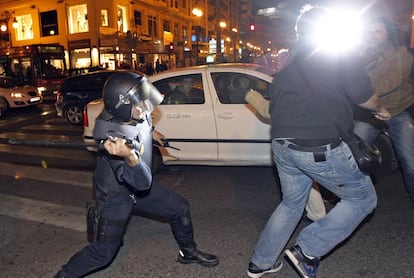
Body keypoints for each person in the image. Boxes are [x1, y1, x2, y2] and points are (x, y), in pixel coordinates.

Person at [246, 6, 391, 278]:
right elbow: (363, 95)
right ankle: (307, 250)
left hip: (282, 144)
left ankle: (261, 263)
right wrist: (381, 110)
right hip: (317, 145)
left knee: (291, 203)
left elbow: (274, 106)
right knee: (362, 199)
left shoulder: (288, 65)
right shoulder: (337, 54)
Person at [54, 72, 218, 278]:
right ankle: (64, 275)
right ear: (121, 106)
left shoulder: (132, 112)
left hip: (137, 189)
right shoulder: (112, 135)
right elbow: (141, 183)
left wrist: (152, 133)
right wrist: (129, 156)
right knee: (103, 254)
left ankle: (188, 252)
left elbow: (142, 123)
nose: (145, 108)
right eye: (139, 104)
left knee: (180, 208)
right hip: (117, 196)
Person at [245, 50, 327, 222]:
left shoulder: (287, 81)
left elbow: (269, 111)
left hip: (294, 140)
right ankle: (318, 214)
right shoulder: (314, 77)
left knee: (292, 201)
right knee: (307, 177)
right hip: (310, 137)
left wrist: (251, 95)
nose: (276, 63)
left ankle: (315, 220)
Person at [354, 16, 414, 202]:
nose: (373, 36)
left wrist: (354, 91)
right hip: (369, 113)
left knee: (410, 161)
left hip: (398, 110)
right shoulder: (360, 54)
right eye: (370, 31)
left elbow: (389, 83)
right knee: (353, 157)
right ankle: (352, 198)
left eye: (378, 31)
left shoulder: (402, 55)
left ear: (389, 33)